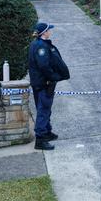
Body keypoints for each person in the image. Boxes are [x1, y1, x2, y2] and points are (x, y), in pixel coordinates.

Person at [28, 22, 70, 150]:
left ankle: (47, 132)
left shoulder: (36, 44)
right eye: (48, 30)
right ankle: (40, 139)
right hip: (44, 83)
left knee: (45, 109)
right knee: (43, 110)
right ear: (44, 33)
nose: (50, 32)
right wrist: (54, 77)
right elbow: (44, 66)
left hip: (40, 83)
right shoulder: (41, 46)